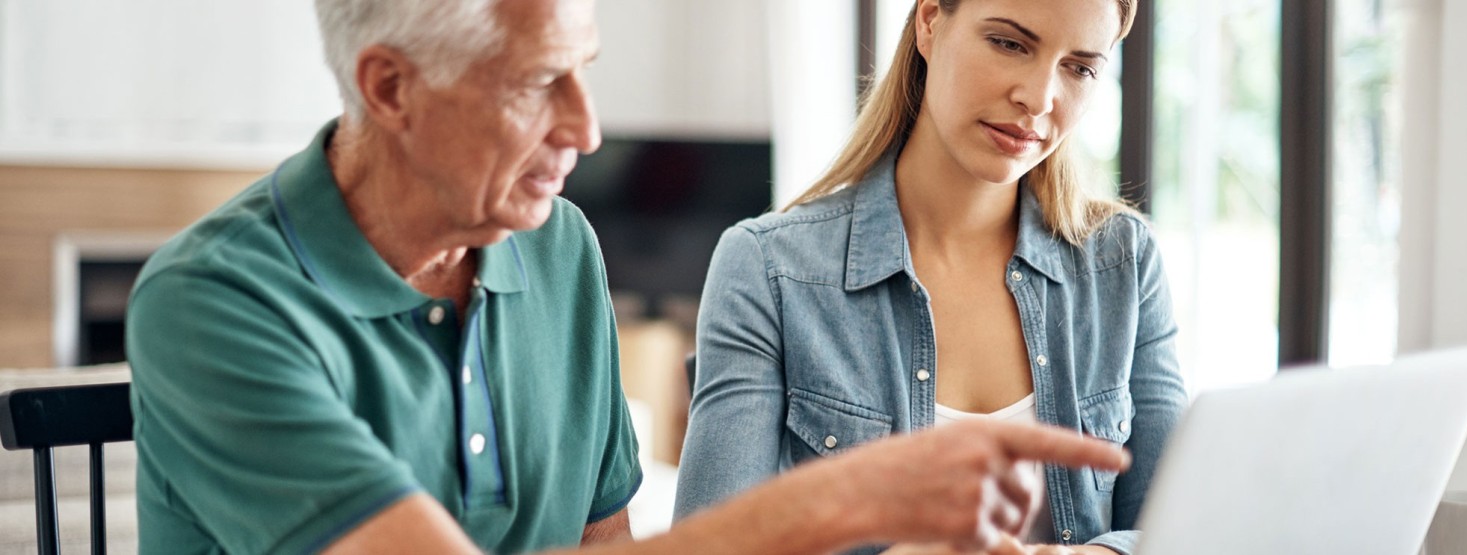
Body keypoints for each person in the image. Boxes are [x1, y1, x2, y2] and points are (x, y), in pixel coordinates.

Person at [124, 0, 1131, 553]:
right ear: (391, 88)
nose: (587, 128)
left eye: (586, 69)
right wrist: (855, 496)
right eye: (534, 83)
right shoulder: (212, 303)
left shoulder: (554, 245)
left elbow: (606, 548)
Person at [674, 0, 1189, 553]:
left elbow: (1181, 531)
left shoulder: (1124, 263)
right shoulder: (769, 270)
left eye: (1079, 67)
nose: (1038, 99)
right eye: (1010, 43)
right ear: (929, 21)